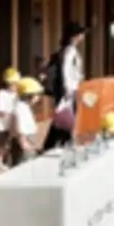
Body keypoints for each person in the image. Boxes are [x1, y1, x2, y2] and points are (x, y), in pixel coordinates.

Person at [42, 23, 87, 152]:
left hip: (69, 89)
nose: (82, 37)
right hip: (69, 90)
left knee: (64, 116)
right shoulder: (69, 50)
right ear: (74, 36)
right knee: (65, 116)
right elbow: (66, 69)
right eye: (80, 34)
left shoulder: (68, 50)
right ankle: (59, 143)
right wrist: (68, 88)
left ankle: (60, 143)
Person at [6, 77, 43, 166]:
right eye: (37, 94)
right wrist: (23, 142)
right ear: (30, 95)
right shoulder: (21, 108)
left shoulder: (24, 107)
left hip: (27, 140)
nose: (38, 97)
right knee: (22, 166)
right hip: (23, 141)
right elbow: (20, 127)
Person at [0, 66, 21, 168]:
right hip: (0, 125)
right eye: (13, 84)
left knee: (9, 144)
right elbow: (1, 111)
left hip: (11, 125)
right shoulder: (1, 94)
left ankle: (7, 160)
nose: (15, 86)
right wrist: (12, 113)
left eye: (16, 84)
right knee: (1, 145)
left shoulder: (16, 95)